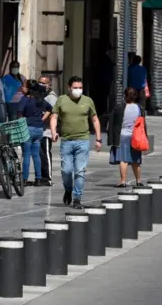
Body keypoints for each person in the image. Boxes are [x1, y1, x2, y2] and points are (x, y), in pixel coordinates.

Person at [50, 76, 102, 209]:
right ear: (69, 88)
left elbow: (95, 120)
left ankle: (77, 198)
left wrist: (98, 139)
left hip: (83, 141)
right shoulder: (62, 100)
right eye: (75, 88)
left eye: (80, 88)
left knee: (80, 171)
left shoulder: (88, 101)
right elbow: (54, 117)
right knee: (66, 171)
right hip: (66, 141)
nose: (78, 90)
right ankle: (68, 189)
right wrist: (53, 132)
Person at [107, 87, 146, 187]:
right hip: (135, 137)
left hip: (123, 136)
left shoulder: (120, 107)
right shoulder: (139, 108)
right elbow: (142, 123)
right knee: (135, 160)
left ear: (125, 95)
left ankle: (123, 181)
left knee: (123, 159)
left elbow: (113, 122)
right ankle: (138, 180)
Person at [18, 80, 52, 186]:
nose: (22, 88)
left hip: (28, 128)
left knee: (27, 154)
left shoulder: (25, 99)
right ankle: (38, 179)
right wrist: (42, 119)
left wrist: (22, 122)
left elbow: (19, 113)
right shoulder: (40, 99)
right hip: (39, 129)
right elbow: (50, 108)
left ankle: (24, 179)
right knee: (36, 155)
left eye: (24, 86)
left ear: (28, 89)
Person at [38, 75, 58, 185]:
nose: (41, 84)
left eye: (44, 83)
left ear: (49, 85)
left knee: (45, 153)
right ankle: (40, 176)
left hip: (46, 131)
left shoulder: (51, 98)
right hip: (38, 130)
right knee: (39, 154)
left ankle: (48, 177)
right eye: (39, 82)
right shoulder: (39, 95)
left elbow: (54, 115)